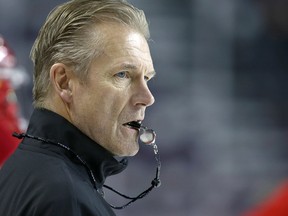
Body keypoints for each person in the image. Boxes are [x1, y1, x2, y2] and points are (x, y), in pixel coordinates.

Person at [0, 0, 156, 215]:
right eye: (123, 74)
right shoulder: (67, 198)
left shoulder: (19, 170)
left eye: (147, 78)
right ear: (64, 82)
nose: (147, 98)